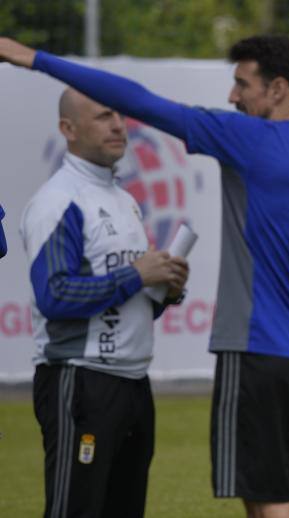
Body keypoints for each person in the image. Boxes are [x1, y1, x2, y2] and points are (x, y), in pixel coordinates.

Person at [0, 35, 289, 518]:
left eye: (242, 83)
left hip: (255, 353)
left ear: (278, 90)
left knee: (268, 503)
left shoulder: (250, 138)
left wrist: (35, 60)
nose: (233, 97)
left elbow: (142, 102)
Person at [19, 87, 189, 518]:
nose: (117, 124)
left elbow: (133, 302)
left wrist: (165, 290)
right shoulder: (58, 202)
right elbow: (55, 296)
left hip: (133, 383)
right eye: (102, 116)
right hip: (80, 382)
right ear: (68, 129)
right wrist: (137, 274)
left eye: (119, 114)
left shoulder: (124, 200)